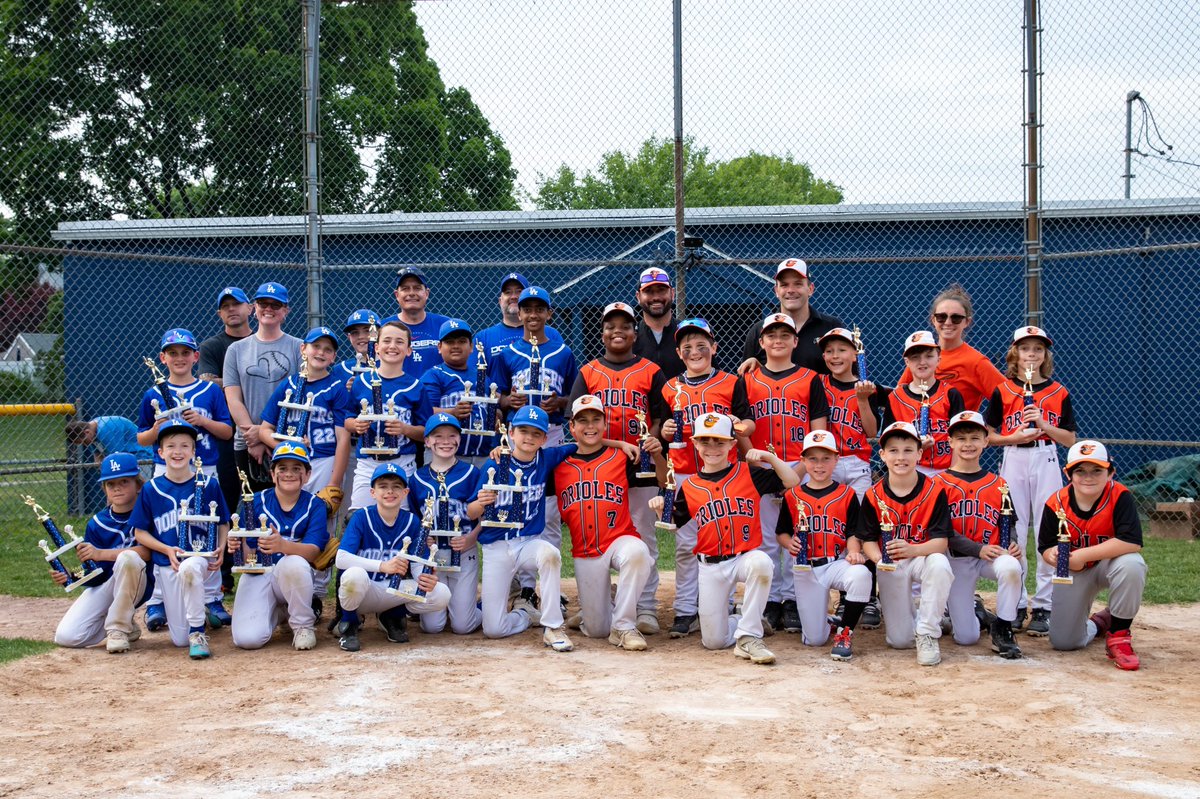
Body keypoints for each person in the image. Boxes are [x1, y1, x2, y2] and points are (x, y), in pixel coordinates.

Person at [651, 412, 799, 665]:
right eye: (705, 441)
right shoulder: (690, 486)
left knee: (762, 563)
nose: (712, 448)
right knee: (714, 642)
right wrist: (658, 509)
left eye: (719, 441)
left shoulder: (748, 473)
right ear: (695, 444)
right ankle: (745, 621)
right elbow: (676, 523)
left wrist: (768, 457)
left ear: (732, 444)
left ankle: (750, 637)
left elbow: (792, 480)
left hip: (744, 558)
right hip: (711, 566)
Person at [566, 300, 668, 635]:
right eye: (611, 326)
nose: (617, 331)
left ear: (634, 332)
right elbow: (577, 425)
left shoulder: (651, 370)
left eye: (624, 325)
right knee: (600, 533)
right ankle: (601, 602)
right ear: (603, 333)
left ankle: (646, 607)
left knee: (643, 535)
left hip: (639, 465)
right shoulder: (588, 371)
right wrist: (617, 445)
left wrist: (644, 443)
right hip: (599, 467)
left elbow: (659, 416)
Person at [658, 318, 753, 639]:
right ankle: (686, 608)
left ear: (714, 348)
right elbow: (661, 429)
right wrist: (665, 430)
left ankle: (724, 604)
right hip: (684, 472)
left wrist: (734, 424)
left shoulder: (730, 382)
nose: (695, 351)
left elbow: (748, 424)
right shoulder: (670, 387)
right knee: (686, 546)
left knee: (723, 540)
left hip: (723, 474)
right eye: (687, 347)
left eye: (702, 345)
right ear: (678, 353)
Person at [135, 327, 233, 631]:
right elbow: (142, 438)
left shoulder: (210, 391)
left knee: (206, 527)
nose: (179, 358)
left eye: (185, 353)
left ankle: (212, 596)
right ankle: (158, 600)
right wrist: (158, 427)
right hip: (165, 469)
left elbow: (227, 432)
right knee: (163, 528)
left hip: (205, 468)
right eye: (173, 353)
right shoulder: (154, 393)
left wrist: (202, 421)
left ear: (196, 356)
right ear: (163, 358)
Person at [739, 312, 829, 634]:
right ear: (761, 342)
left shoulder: (809, 378)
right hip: (761, 465)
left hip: (799, 462)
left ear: (795, 341)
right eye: (771, 335)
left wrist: (804, 467)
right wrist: (753, 461)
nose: (777, 340)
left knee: (798, 534)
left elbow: (818, 428)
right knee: (764, 538)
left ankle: (791, 599)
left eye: (784, 334)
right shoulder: (747, 379)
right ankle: (770, 600)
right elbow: (740, 426)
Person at [985, 325, 1077, 637]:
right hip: (1014, 455)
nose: (1032, 354)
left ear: (1045, 355)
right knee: (1014, 526)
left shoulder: (1058, 391)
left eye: (1038, 349)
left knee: (1047, 527)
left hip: (1046, 456)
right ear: (1015, 353)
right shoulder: (1004, 390)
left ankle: (1044, 606)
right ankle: (1017, 603)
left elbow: (1069, 438)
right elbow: (988, 436)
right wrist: (1015, 435)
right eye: (1026, 349)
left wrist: (1043, 424)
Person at [470, 406, 575, 651]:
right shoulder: (495, 463)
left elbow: (582, 445)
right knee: (494, 630)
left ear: (544, 438)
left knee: (550, 554)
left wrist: (621, 445)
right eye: (523, 431)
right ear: (511, 433)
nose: (529, 437)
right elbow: (471, 512)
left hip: (528, 542)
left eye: (536, 433)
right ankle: (526, 616)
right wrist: (481, 502)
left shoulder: (546, 458)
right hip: (496, 547)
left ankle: (552, 627)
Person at [556, 395, 655, 650]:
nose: (590, 426)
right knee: (598, 630)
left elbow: (661, 479)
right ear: (572, 428)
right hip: (586, 551)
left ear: (604, 423)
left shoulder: (622, 457)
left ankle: (623, 626)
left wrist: (653, 452)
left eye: (596, 420)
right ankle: (599, 607)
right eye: (583, 421)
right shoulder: (558, 464)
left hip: (618, 540)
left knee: (637, 552)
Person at [1039, 441, 1147, 671]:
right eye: (1080, 470)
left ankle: (1119, 636)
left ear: (1111, 472)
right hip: (1075, 572)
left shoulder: (1120, 495)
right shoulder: (1055, 503)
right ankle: (1100, 623)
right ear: (1067, 473)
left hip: (1109, 566)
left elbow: (1131, 541)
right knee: (1064, 642)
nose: (1088, 477)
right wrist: (1053, 556)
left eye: (1097, 470)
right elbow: (1045, 547)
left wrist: (1082, 555)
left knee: (1132, 565)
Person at [130, 420, 230, 659]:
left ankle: (198, 632)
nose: (178, 451)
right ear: (160, 452)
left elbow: (223, 522)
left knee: (191, 567)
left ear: (193, 452)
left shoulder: (208, 484)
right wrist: (166, 549)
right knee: (178, 640)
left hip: (198, 559)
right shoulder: (151, 489)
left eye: (185, 446)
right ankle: (198, 616)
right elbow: (139, 533)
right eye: (171, 446)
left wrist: (221, 548)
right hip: (167, 564)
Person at [858, 421, 954, 666]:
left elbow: (941, 542)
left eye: (908, 450)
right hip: (891, 564)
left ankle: (928, 633)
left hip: (922, 556)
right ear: (882, 455)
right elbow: (868, 541)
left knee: (940, 564)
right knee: (899, 641)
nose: (901, 457)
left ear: (920, 453)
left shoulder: (935, 490)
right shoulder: (873, 495)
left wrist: (913, 550)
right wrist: (881, 561)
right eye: (893, 450)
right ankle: (926, 617)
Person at [491, 286, 577, 556]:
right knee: (517, 502)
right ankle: (523, 582)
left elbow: (575, 398)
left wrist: (560, 403)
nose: (533, 314)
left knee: (550, 508)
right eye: (528, 309)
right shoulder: (508, 354)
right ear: (520, 312)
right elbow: (497, 397)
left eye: (540, 309)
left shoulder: (563, 352)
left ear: (549, 314)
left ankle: (553, 581)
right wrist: (507, 402)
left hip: (550, 433)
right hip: (519, 436)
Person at [333, 462, 451, 652]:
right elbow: (342, 559)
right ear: (373, 492)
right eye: (383, 486)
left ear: (405, 492)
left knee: (441, 593)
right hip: (364, 590)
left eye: (396, 486)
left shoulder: (412, 521)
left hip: (392, 591)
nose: (390, 491)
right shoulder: (361, 517)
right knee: (354, 575)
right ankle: (349, 623)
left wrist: (425, 575)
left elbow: (416, 564)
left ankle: (391, 615)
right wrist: (383, 566)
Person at [775, 430, 872, 661]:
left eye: (826, 458)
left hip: (834, 563)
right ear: (803, 461)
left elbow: (852, 532)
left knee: (860, 575)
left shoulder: (847, 494)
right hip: (806, 569)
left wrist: (854, 552)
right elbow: (781, 533)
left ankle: (844, 632)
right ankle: (826, 621)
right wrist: (790, 543)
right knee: (814, 640)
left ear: (836, 460)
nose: (819, 465)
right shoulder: (792, 495)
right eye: (813, 459)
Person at [936, 411, 1024, 659]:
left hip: (991, 556)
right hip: (957, 560)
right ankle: (977, 610)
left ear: (986, 441)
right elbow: (941, 531)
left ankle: (1004, 627)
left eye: (975, 437)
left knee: (1011, 567)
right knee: (966, 638)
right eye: (961, 438)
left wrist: (1013, 543)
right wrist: (977, 548)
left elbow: (1009, 522)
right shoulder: (939, 483)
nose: (968, 444)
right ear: (950, 442)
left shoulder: (999, 483)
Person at [818, 327, 890, 629]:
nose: (836, 356)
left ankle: (866, 596)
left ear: (854, 354)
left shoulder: (867, 387)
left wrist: (862, 399)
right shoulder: (817, 383)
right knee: (832, 524)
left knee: (862, 526)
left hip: (858, 462)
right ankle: (841, 590)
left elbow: (872, 432)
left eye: (842, 350)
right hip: (827, 461)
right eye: (830, 351)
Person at [228, 442, 328, 651]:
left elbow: (313, 551)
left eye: (296, 469)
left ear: (307, 475)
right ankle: (281, 611)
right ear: (272, 474)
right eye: (282, 468)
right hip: (260, 574)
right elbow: (249, 558)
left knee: (294, 563)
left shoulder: (315, 504)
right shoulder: (254, 501)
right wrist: (237, 544)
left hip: (293, 575)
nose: (289, 474)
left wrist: (283, 545)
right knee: (247, 639)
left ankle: (302, 625)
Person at [52, 452, 154, 654]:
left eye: (124, 481)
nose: (117, 487)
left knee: (129, 558)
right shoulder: (97, 523)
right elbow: (96, 573)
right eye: (110, 483)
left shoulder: (150, 511)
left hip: (148, 582)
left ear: (138, 485)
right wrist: (71, 578)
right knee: (68, 636)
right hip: (113, 583)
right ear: (104, 489)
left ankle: (118, 628)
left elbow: (147, 552)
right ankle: (125, 621)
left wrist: (101, 553)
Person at [197, 286, 254, 591]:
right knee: (227, 500)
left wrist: (229, 382)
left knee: (259, 499)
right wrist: (248, 383)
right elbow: (209, 383)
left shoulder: (261, 342)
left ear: (251, 309)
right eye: (226, 306)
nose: (232, 310)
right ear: (220, 313)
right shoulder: (212, 347)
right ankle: (225, 574)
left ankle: (260, 561)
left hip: (260, 430)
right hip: (225, 432)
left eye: (238, 305)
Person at [408, 413, 483, 636]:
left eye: (452, 435)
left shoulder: (471, 473)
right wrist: (423, 538)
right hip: (432, 557)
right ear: (427, 441)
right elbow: (413, 519)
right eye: (438, 436)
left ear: (460, 439)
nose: (446, 441)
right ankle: (453, 606)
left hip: (464, 552)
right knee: (432, 627)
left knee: (463, 626)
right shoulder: (417, 478)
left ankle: (481, 607)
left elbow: (484, 518)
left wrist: (472, 538)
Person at [224, 281, 303, 491]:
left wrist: (266, 434)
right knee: (255, 508)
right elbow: (233, 398)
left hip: (285, 437)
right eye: (263, 303)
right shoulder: (236, 349)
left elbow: (301, 395)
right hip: (247, 442)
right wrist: (255, 438)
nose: (268, 309)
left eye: (275, 305)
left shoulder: (298, 346)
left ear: (286, 311)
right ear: (254, 308)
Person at [259, 326, 352, 498]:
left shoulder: (337, 389)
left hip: (324, 460)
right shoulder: (288, 385)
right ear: (303, 348)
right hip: (290, 463)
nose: (321, 353)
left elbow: (343, 438)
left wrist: (334, 483)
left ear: (333, 357)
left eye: (327, 350)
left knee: (322, 517)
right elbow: (264, 429)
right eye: (316, 346)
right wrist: (285, 447)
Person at [345, 319, 425, 510]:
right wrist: (356, 425)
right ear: (377, 348)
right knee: (358, 516)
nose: (392, 346)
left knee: (401, 518)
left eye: (399, 342)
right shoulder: (360, 382)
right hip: (367, 462)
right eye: (387, 341)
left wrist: (405, 429)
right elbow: (346, 419)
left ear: (408, 350)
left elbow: (425, 432)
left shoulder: (416, 386)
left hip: (403, 461)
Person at [899, 284, 1005, 413]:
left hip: (956, 431)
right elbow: (899, 397)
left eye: (956, 318)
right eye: (941, 317)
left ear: (967, 322)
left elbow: (1008, 399)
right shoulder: (922, 357)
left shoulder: (976, 362)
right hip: (920, 429)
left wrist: (989, 429)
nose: (948, 322)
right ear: (933, 320)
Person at [738, 259, 844, 375]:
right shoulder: (759, 330)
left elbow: (849, 376)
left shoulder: (831, 327)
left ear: (810, 289)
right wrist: (761, 371)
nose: (791, 290)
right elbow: (746, 380)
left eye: (798, 284)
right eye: (784, 285)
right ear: (776, 291)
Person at [882, 331, 964, 477]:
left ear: (939, 358)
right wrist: (916, 446)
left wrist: (953, 474)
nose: (922, 362)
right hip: (910, 470)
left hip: (946, 469)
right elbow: (889, 442)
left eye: (928, 356)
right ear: (907, 362)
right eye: (915, 357)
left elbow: (960, 438)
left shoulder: (951, 394)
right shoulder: (896, 398)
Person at [419, 319, 495, 466]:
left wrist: (495, 415)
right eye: (449, 342)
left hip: (482, 454)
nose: (456, 346)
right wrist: (452, 412)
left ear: (471, 347)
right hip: (446, 454)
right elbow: (423, 413)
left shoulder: (482, 376)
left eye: (461, 341)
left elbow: (491, 407)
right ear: (439, 347)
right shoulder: (434, 375)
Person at [475, 272, 563, 360]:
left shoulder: (551, 334)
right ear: (500, 301)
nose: (513, 296)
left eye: (519, 291)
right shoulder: (483, 338)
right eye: (508, 292)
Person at [385, 266, 450, 378]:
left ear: (427, 293)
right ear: (397, 295)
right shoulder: (383, 328)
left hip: (436, 392)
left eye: (417, 288)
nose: (411, 293)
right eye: (405, 289)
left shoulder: (445, 325)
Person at [631, 266, 685, 378]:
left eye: (661, 290)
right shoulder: (630, 337)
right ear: (638, 297)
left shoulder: (687, 333)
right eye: (649, 291)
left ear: (672, 293)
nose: (656, 297)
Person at [66, 416, 155, 481]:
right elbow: (97, 455)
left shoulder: (105, 429)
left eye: (84, 442)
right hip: (129, 458)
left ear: (87, 432)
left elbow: (118, 457)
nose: (85, 445)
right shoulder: (93, 429)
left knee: (141, 491)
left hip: (141, 456)